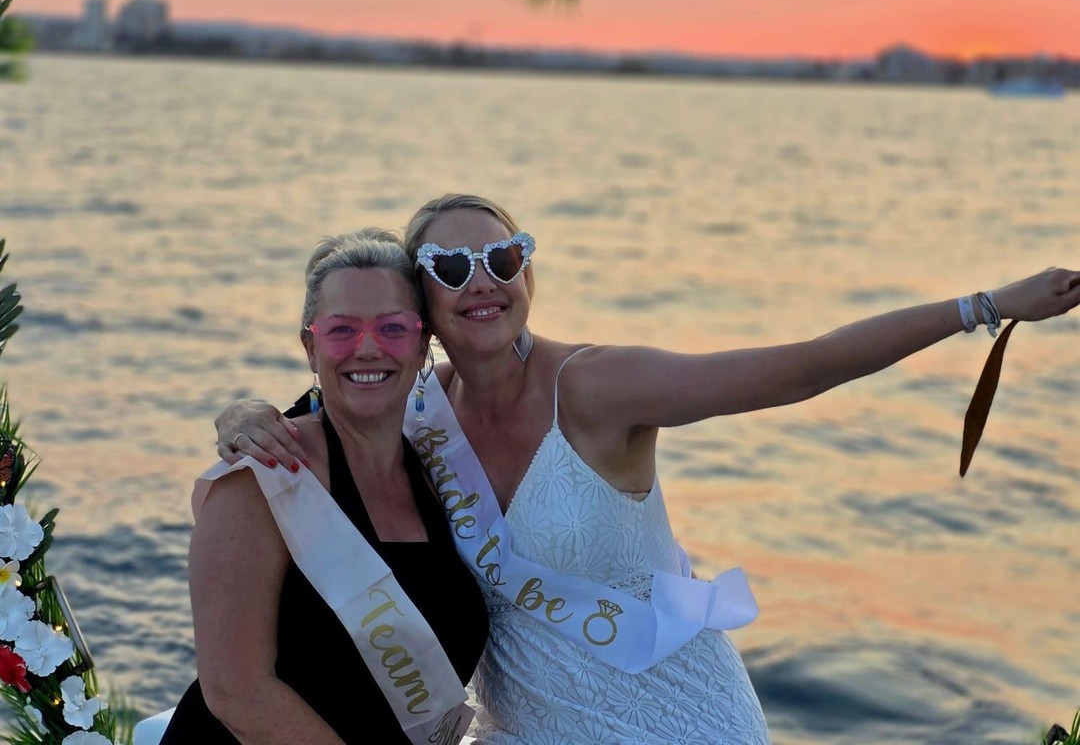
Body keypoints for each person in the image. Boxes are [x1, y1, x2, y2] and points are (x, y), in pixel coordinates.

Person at [216, 194, 1080, 745]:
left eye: (503, 258)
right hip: (528, 729)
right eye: (449, 267)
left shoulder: (598, 386)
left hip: (676, 714)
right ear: (423, 306)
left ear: (527, 274)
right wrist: (244, 415)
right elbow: (331, 403)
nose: (482, 282)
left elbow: (798, 368)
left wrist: (983, 306)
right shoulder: (415, 414)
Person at [159, 229, 488, 745]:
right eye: (342, 330)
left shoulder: (439, 471)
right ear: (311, 348)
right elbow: (237, 694)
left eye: (392, 327)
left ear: (424, 342)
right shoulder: (262, 476)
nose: (368, 348)